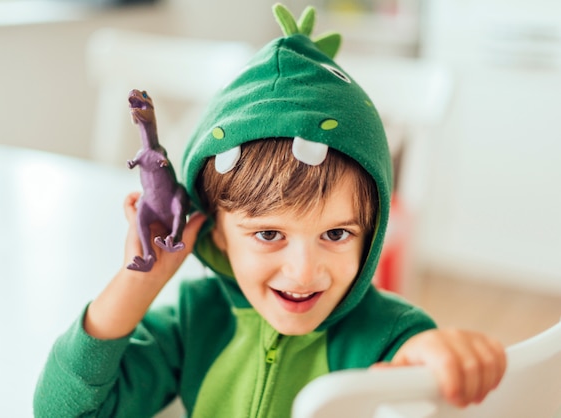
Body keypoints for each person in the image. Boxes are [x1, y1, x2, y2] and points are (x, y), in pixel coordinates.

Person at [34, 4, 506, 417]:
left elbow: (422, 367)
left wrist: (432, 360)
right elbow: (62, 412)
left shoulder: (389, 336)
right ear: (214, 231)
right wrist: (137, 283)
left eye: (337, 234)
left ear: (372, 231)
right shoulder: (194, 324)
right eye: (268, 234)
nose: (303, 272)